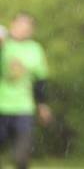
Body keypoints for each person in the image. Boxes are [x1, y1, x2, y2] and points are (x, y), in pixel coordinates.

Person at [0, 13, 51, 169]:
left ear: (31, 30)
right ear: (12, 24)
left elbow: (40, 80)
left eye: (26, 26)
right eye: (19, 24)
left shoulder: (35, 49)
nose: (22, 29)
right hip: (1, 107)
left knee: (21, 158)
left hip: (23, 109)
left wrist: (42, 105)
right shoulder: (3, 44)